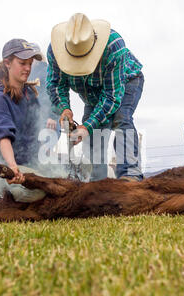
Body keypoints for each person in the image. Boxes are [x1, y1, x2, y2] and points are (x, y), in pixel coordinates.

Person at [47, 13, 145, 182]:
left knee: (121, 119)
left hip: (125, 81)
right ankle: (97, 181)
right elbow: (56, 84)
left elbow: (112, 97)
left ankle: (130, 176)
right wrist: (65, 108)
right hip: (92, 93)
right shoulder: (55, 51)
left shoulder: (113, 47)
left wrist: (86, 126)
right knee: (94, 134)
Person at [0, 39, 49, 202]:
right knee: (40, 194)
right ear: (7, 63)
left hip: (29, 166)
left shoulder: (30, 95)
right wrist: (12, 167)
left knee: (61, 184)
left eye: (30, 63)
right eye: (22, 63)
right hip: (7, 168)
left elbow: (34, 134)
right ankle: (1, 195)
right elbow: (3, 137)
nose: (27, 68)